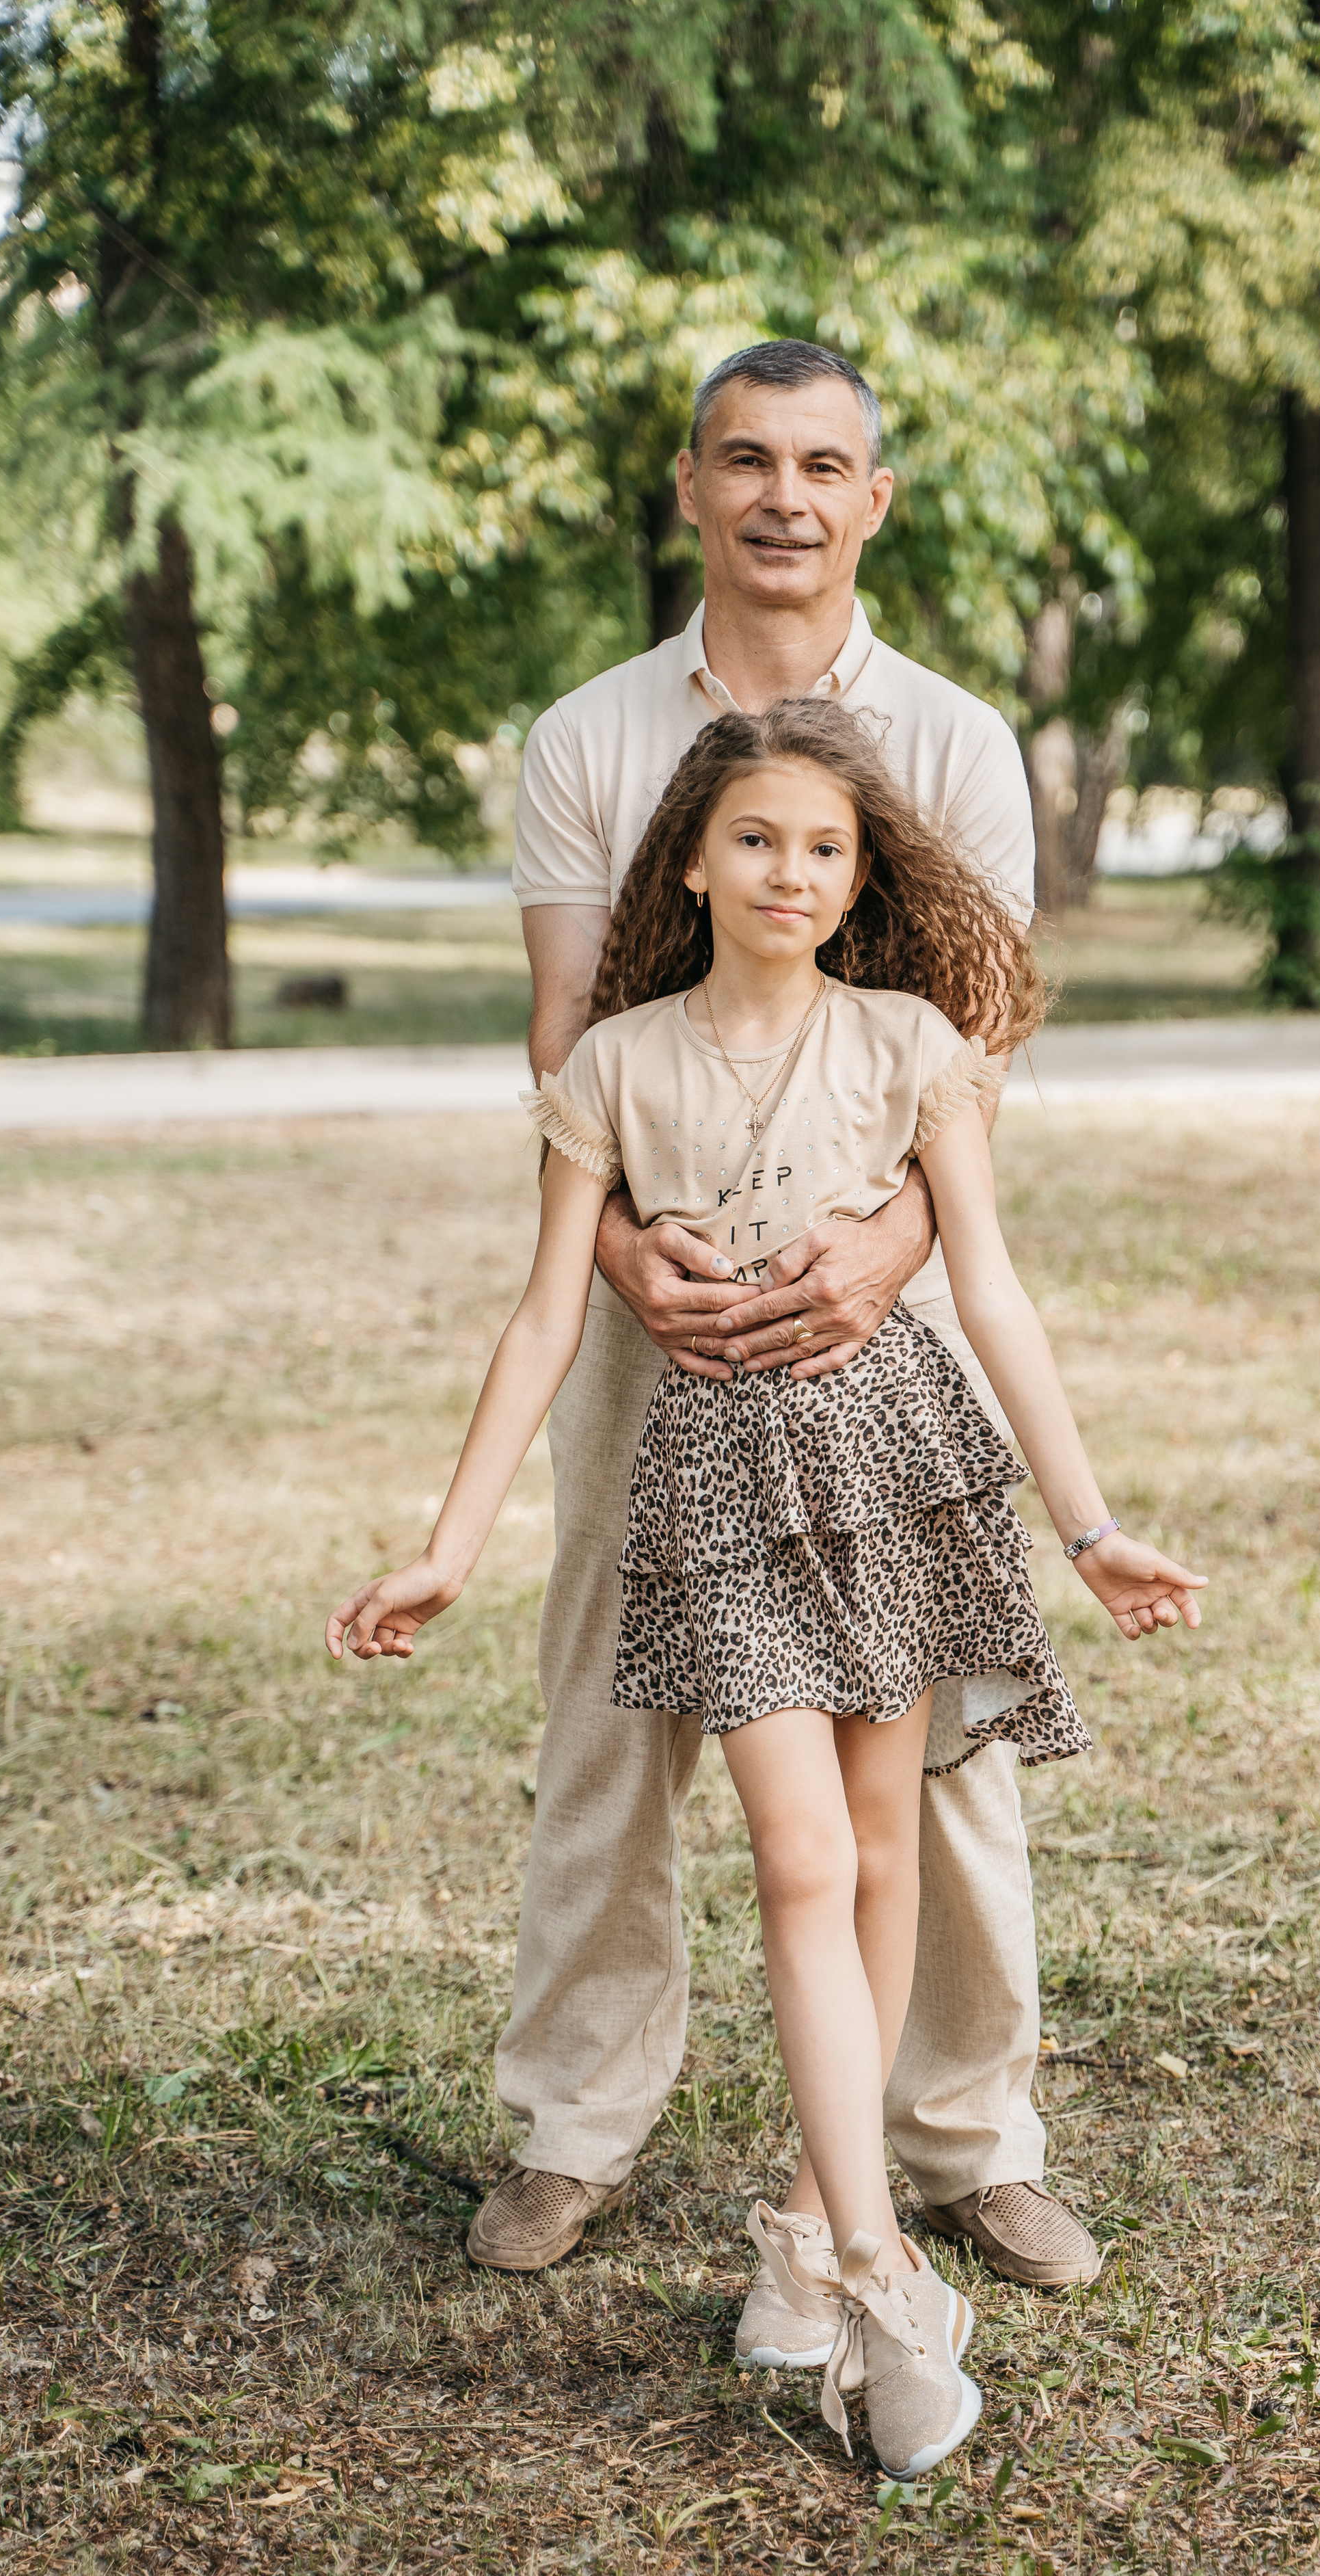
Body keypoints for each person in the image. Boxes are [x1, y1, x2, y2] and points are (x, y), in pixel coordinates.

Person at [327, 698, 1207, 2474]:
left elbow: (994, 1289)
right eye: (755, 839)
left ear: (861, 875)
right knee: (800, 1859)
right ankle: (884, 2279)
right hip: (716, 1490)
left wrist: (1092, 1525)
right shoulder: (611, 1069)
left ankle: (816, 2225)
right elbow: (543, 1320)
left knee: (880, 1859)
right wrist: (447, 1546)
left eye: (824, 846)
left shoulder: (910, 1045)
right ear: (692, 864)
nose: (789, 871)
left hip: (893, 1470)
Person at [475, 336, 1105, 2328]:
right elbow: (568, 1034)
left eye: (824, 465)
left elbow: (976, 1045)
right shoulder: (591, 737)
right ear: (690, 486)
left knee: (921, 1742)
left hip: (879, 1301)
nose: (784, 497)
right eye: (745, 459)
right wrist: (624, 1262)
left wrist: (887, 1252)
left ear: (874, 500)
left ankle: (968, 2139)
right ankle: (577, 2120)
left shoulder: (956, 739)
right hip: (653, 1279)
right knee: (612, 1691)